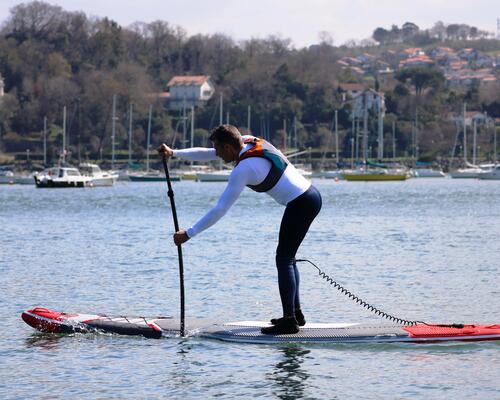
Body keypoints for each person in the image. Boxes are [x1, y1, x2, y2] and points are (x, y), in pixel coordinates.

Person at [158, 124, 322, 334]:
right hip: (309, 196)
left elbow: (220, 209)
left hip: (301, 203)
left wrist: (189, 233)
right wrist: (174, 153)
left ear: (228, 147)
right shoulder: (247, 140)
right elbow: (207, 153)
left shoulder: (243, 170)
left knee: (284, 259)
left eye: (218, 149)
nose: (216, 153)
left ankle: (290, 321)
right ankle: (295, 314)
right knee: (287, 258)